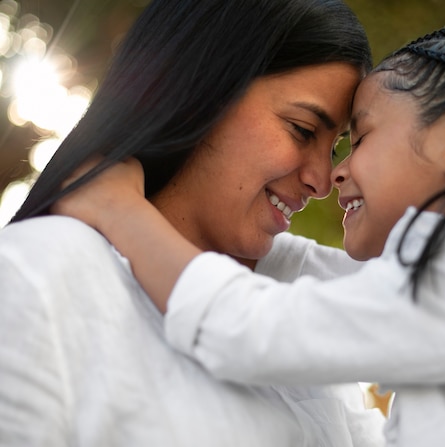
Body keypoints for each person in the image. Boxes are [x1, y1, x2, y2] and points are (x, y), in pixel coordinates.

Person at [53, 24, 445, 446]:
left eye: (361, 137)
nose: (334, 175)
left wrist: (120, 211)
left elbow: (251, 329)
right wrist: (226, 223)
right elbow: (320, 276)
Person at [0, 0, 387, 446]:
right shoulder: (42, 274)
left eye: (336, 147)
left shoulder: (296, 330)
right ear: (200, 92)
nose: (322, 180)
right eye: (301, 130)